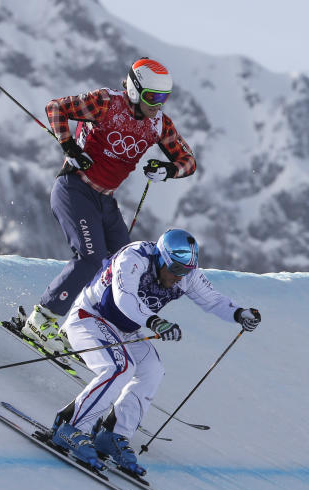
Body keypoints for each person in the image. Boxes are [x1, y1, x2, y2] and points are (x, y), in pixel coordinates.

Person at [47, 228, 262, 475]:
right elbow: (124, 298)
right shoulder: (134, 257)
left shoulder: (186, 274)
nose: (180, 277)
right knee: (120, 367)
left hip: (124, 329)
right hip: (90, 317)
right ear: (161, 258)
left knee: (152, 369)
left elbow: (212, 299)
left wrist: (239, 313)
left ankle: (111, 435)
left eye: (186, 271)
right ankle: (70, 428)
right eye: (176, 270)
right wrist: (155, 322)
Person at [20, 57, 198, 354]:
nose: (157, 105)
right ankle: (41, 319)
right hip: (74, 188)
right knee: (90, 258)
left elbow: (188, 161)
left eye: (163, 99)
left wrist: (167, 170)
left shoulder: (158, 124)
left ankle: (77, 331)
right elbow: (56, 108)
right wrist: (69, 146)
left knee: (125, 267)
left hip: (105, 200)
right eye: (152, 97)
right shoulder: (105, 103)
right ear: (134, 89)